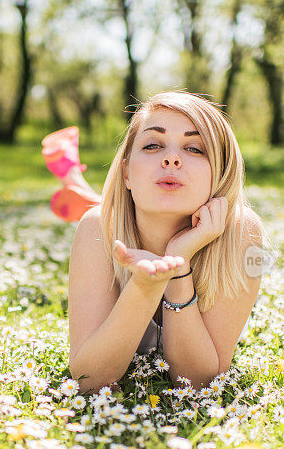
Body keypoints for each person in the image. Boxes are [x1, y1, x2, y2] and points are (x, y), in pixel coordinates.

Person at [64, 91, 272, 395]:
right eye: (152, 145)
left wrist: (178, 265)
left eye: (194, 148)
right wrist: (145, 286)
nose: (171, 158)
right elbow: (89, 379)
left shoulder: (241, 234)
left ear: (220, 173)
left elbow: (199, 383)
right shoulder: (98, 228)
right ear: (126, 174)